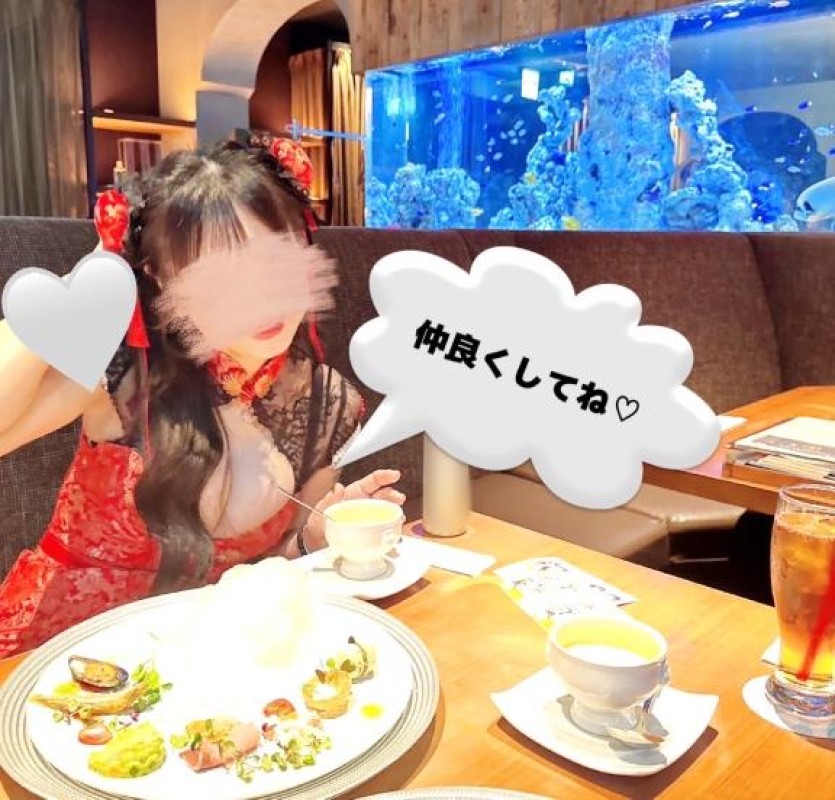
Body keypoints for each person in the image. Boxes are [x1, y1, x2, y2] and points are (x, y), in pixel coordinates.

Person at [0, 136, 404, 657]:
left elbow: (262, 578)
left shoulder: (326, 403)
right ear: (160, 278)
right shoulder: (123, 369)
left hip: (202, 660)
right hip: (56, 652)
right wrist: (90, 279)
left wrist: (315, 539)